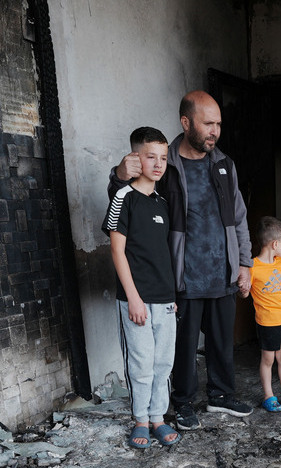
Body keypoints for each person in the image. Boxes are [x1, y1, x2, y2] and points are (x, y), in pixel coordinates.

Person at [108, 91, 253, 432]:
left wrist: (244, 263)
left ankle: (221, 394)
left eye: (218, 123)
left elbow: (239, 217)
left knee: (221, 342)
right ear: (186, 123)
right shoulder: (165, 164)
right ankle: (184, 402)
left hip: (222, 270)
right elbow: (128, 200)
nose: (214, 131)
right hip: (182, 274)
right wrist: (117, 174)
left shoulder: (223, 164)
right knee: (183, 348)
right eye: (207, 123)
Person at [101, 127, 181, 449]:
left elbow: (162, 256)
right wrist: (133, 298)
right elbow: (117, 251)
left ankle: (159, 418)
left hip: (164, 299)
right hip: (136, 300)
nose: (158, 164)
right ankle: (140, 421)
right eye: (151, 157)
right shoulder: (124, 197)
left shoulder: (162, 203)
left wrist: (172, 297)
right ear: (136, 158)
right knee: (141, 363)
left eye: (163, 158)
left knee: (163, 364)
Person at [250, 217, 281, 412]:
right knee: (268, 359)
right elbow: (244, 291)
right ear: (275, 244)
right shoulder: (253, 267)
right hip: (267, 323)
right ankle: (269, 396)